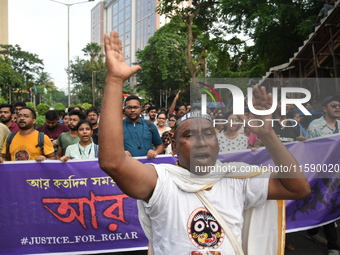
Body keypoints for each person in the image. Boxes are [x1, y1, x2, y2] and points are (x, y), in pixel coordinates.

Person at [99, 31, 310, 254]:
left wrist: (268, 136)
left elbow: (297, 188)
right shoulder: (162, 181)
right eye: (189, 136)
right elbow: (113, 162)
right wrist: (114, 80)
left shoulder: (237, 179)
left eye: (208, 133)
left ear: (217, 142)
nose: (201, 141)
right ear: (175, 146)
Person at [305, 95, 340, 255]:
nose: (338, 108)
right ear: (325, 109)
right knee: (328, 205)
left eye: (339, 105)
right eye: (334, 105)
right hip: (323, 174)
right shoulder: (315, 126)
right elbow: (312, 151)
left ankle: (312, 232)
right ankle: (333, 245)